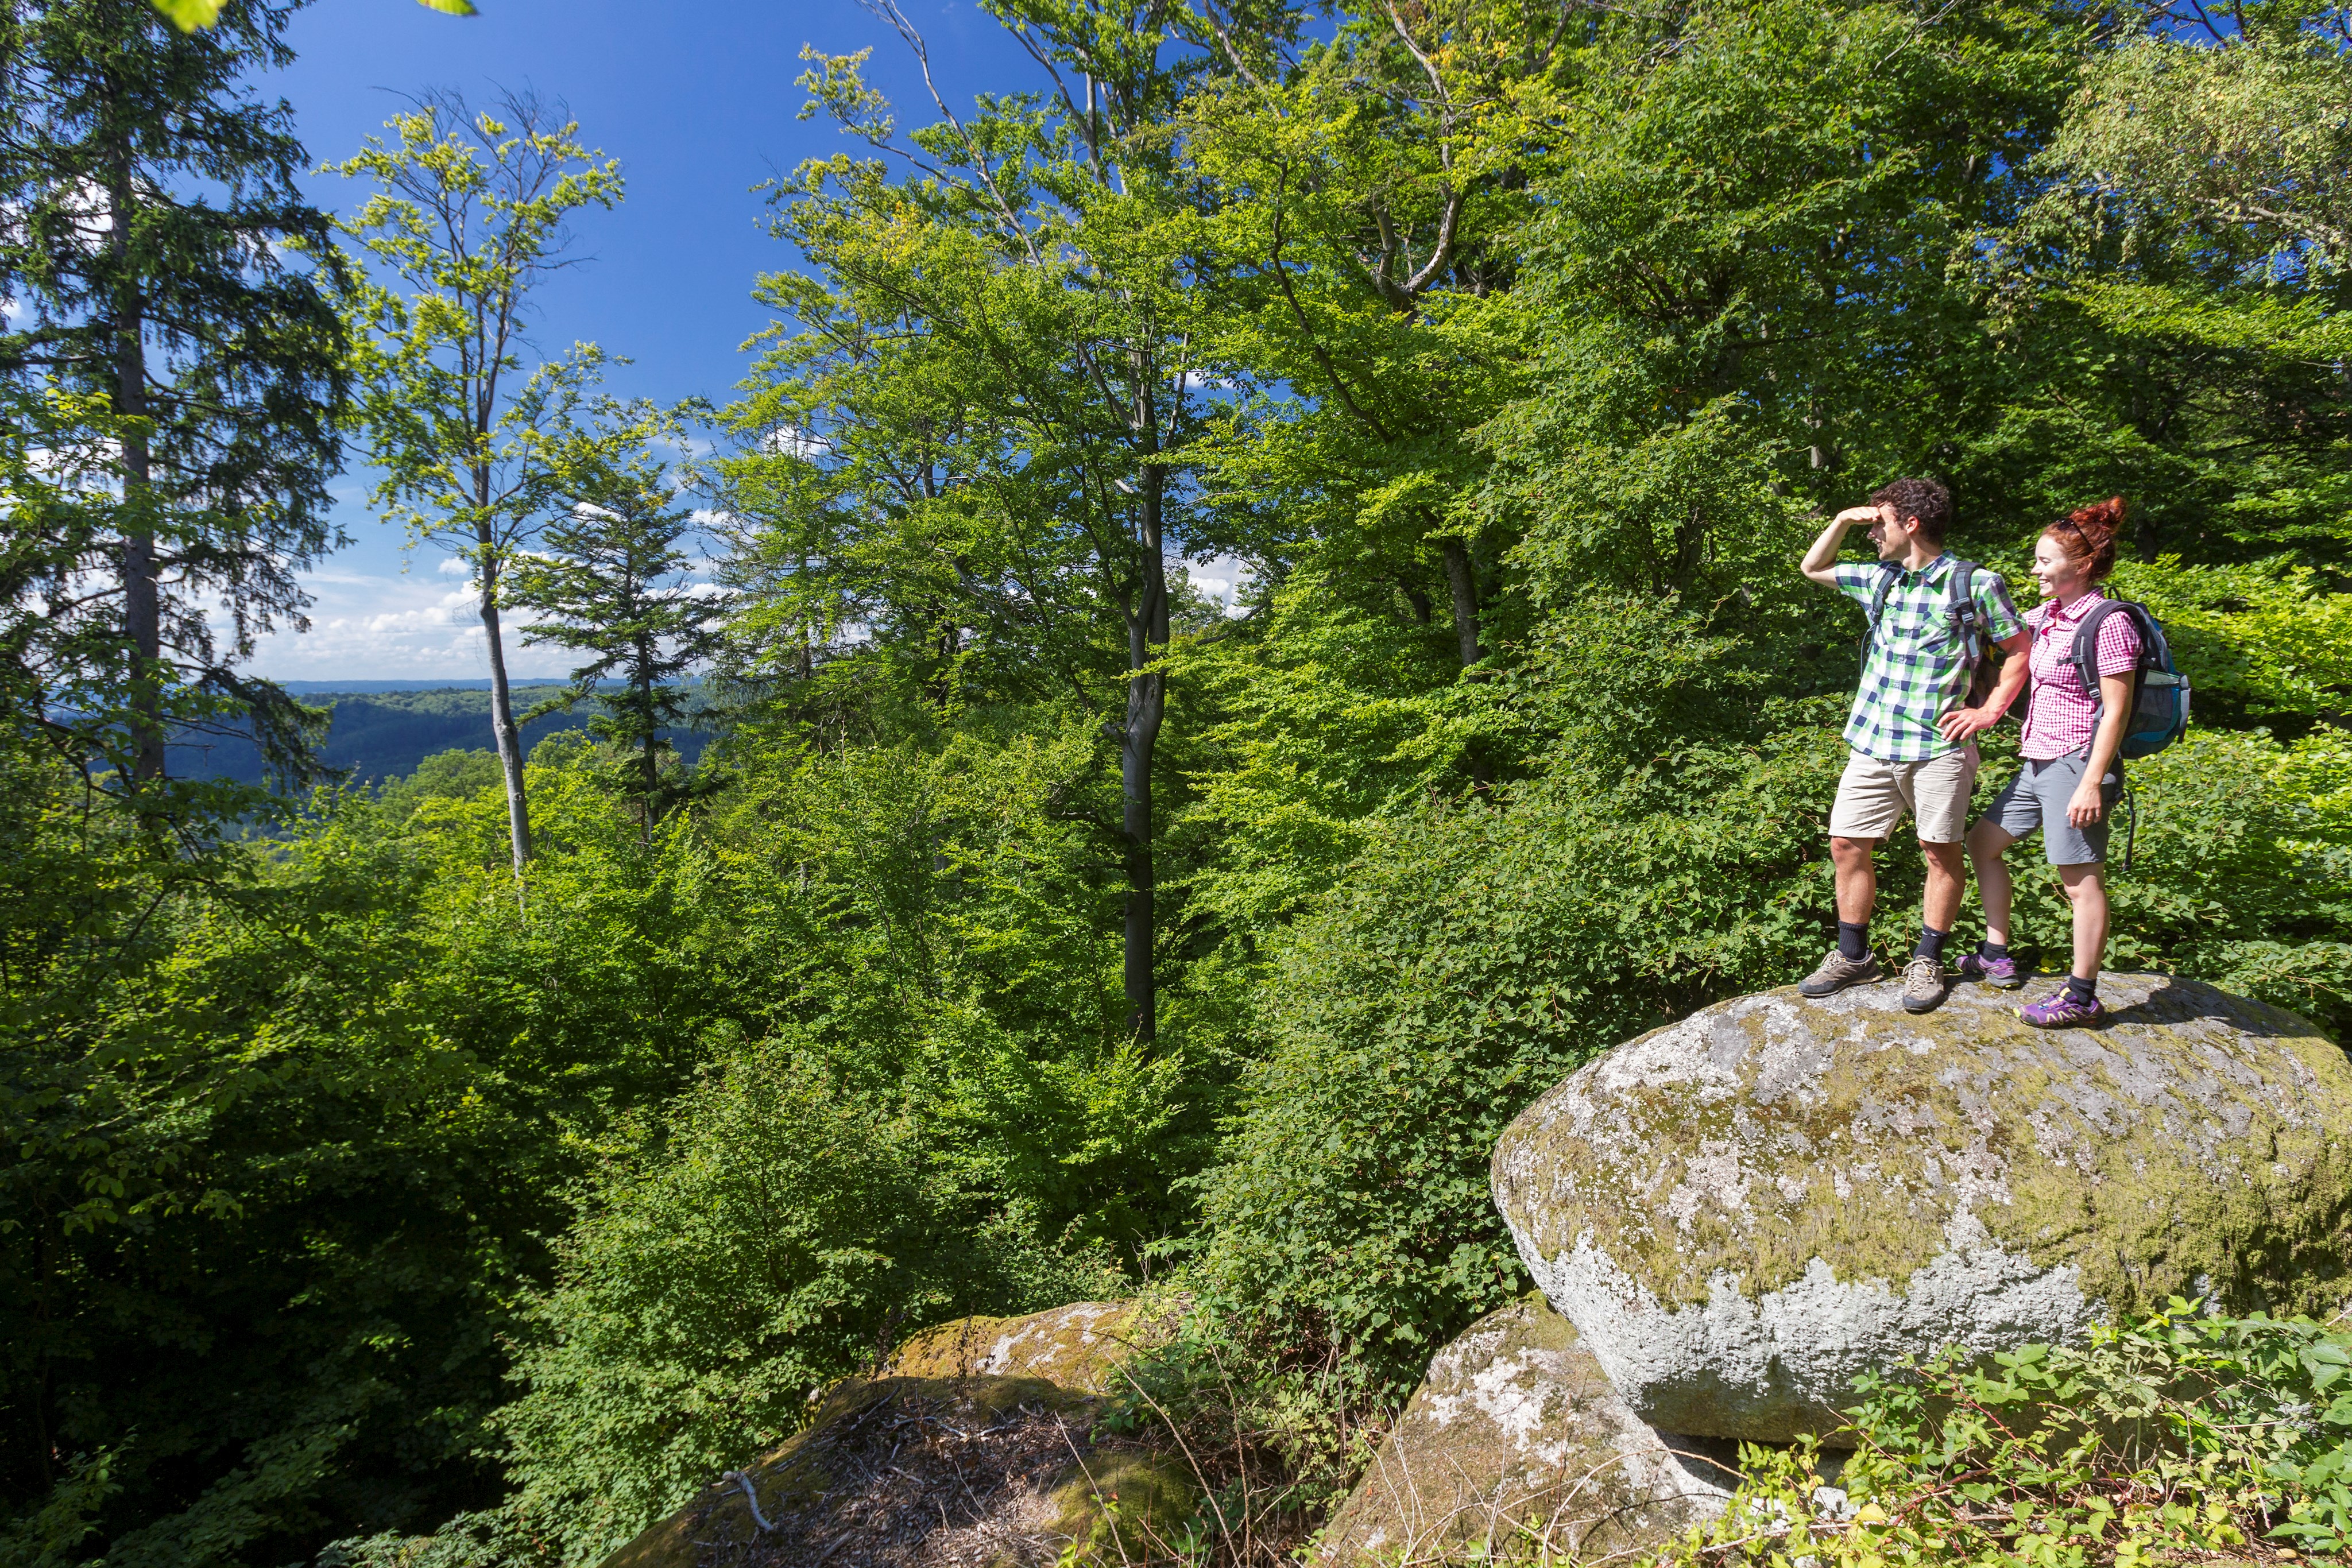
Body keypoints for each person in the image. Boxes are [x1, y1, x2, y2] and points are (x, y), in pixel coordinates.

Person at [1798, 478, 2029, 1012]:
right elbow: (1812, 569)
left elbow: (2019, 648)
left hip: (1938, 745)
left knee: (1939, 852)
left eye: (1879, 522)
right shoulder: (1881, 578)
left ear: (1912, 524)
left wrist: (1989, 711)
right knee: (1846, 845)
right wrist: (1840, 520)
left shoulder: (1972, 583)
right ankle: (1855, 957)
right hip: (1873, 740)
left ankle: (1928, 959)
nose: (1872, 532)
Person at [1956, 498, 2140, 1027]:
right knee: (1982, 843)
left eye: (2043, 561)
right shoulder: (2047, 616)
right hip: (2036, 761)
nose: (2033, 570)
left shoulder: (2110, 623)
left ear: (2081, 565)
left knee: (2079, 879)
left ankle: (2082, 994)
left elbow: (2115, 713)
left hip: (2077, 762)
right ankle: (1997, 953)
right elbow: (2000, 634)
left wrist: (2089, 783)